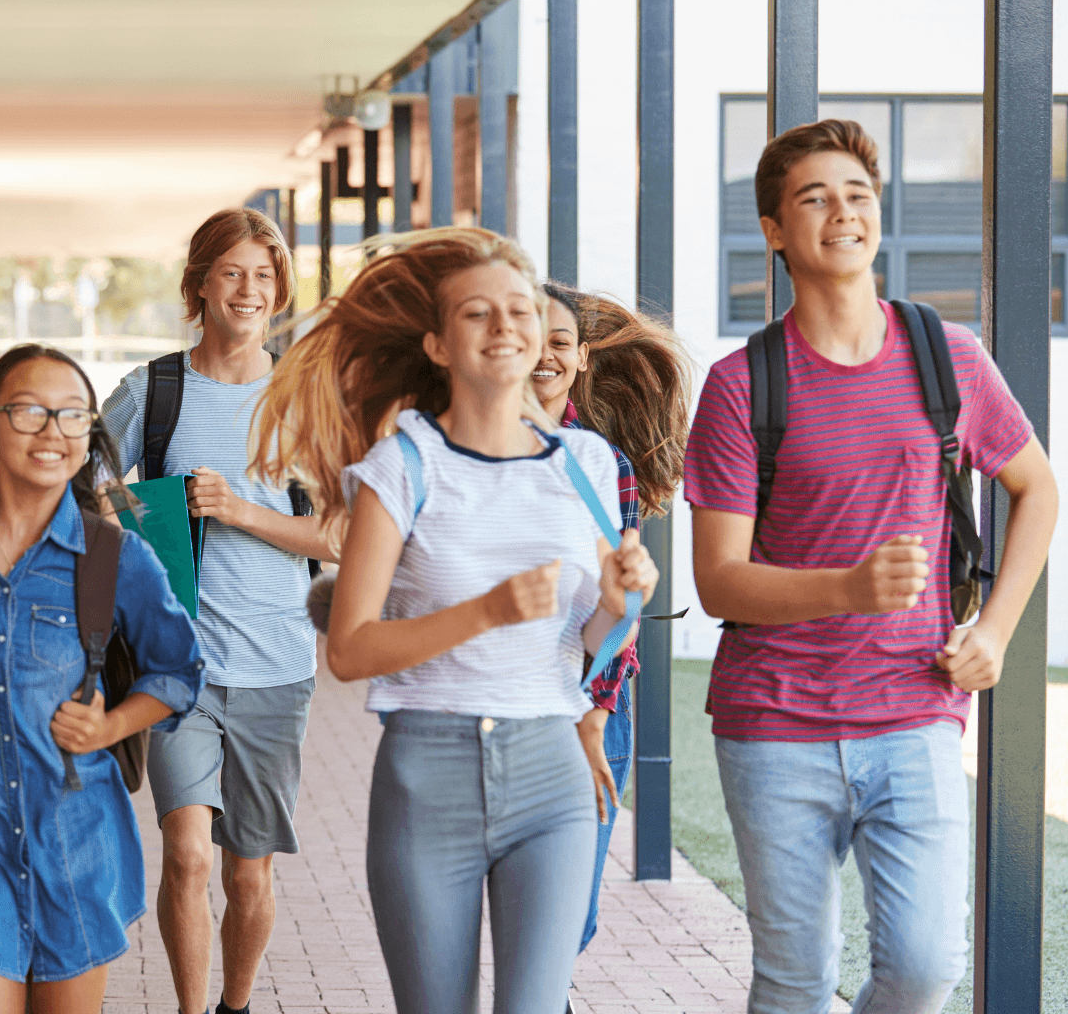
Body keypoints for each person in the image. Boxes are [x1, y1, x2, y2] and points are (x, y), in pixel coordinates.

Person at [685, 119, 1057, 1013]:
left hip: (916, 709)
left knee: (927, 968)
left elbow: (1036, 490)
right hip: (774, 719)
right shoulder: (742, 385)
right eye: (813, 198)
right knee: (794, 980)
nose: (841, 212)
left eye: (856, 195)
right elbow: (718, 581)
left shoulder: (948, 357)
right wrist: (847, 589)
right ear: (775, 230)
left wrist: (995, 631)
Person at [251, 226, 658, 1014]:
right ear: (438, 344)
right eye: (479, 313)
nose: (506, 326)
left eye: (521, 310)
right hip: (427, 770)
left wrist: (618, 602)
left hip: (551, 772)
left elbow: (595, 646)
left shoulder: (590, 466)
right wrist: (486, 611)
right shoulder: (400, 468)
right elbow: (351, 648)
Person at [0, 344, 204, 1013]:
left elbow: (179, 670)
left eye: (72, 415)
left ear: (88, 437)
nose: (52, 431)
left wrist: (113, 724)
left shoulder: (117, 556)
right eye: (28, 412)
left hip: (74, 839)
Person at [99, 207, 335, 1014]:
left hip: (277, 662)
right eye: (232, 272)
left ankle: (237, 1005)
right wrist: (124, 506)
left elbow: (340, 535)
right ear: (199, 283)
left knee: (248, 868)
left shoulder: (304, 397)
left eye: (264, 276)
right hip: (177, 664)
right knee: (189, 855)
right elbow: (79, 496)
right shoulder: (152, 391)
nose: (249, 289)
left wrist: (238, 511)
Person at [533, 282, 691, 969]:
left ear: (583, 359)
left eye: (559, 342)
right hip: (494, 708)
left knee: (572, 917)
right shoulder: (451, 447)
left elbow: (620, 609)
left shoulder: (603, 464)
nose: (543, 354)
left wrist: (595, 712)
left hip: (590, 706)